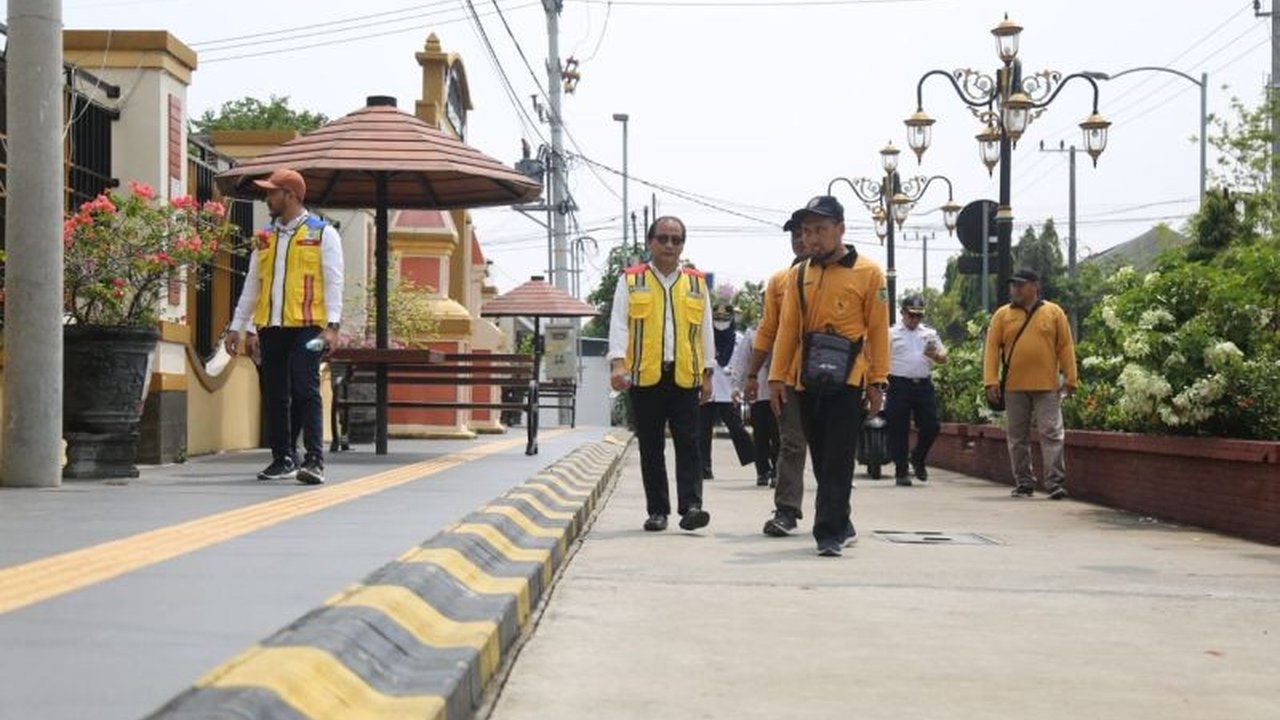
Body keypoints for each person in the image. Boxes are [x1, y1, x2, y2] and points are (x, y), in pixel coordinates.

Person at [768, 196, 889, 557]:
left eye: (820, 230)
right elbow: (788, 329)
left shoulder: (869, 273)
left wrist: (878, 382)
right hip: (806, 380)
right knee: (821, 456)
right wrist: (777, 378)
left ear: (840, 230)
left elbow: (879, 330)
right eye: (807, 231)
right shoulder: (798, 274)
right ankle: (842, 519)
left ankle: (829, 532)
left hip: (849, 380)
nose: (812, 239)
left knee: (838, 457)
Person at [226, 168, 344, 485]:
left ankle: (315, 460)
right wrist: (239, 327)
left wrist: (332, 326)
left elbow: (334, 282)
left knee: (305, 388)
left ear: (290, 195)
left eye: (272, 193)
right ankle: (283, 458)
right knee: (275, 394)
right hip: (271, 327)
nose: (267, 198)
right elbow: (253, 286)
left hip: (309, 326)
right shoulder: (264, 238)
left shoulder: (322, 233)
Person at [608, 216, 715, 532]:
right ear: (650, 242)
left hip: (685, 375)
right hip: (645, 375)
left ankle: (692, 507)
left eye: (676, 239)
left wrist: (708, 373)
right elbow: (619, 323)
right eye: (663, 238)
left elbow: (705, 330)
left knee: (689, 443)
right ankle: (658, 511)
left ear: (683, 245)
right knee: (651, 446)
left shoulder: (696, 283)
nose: (670, 245)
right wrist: (617, 363)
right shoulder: (631, 280)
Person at [982, 268, 1078, 500]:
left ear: (1035, 286)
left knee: (1052, 432)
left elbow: (1065, 346)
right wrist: (990, 381)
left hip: (1047, 386)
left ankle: (1055, 483)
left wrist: (1071, 378)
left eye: (1021, 285)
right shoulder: (1002, 315)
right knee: (1017, 436)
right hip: (1014, 386)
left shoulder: (1053, 312)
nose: (1015, 289)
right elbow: (992, 349)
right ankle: (1024, 482)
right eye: (1013, 285)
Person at [743, 213, 809, 536]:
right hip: (790, 376)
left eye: (808, 232)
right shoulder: (781, 281)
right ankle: (786, 510)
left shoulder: (851, 273)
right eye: (795, 235)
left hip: (838, 377)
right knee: (792, 444)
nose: (801, 239)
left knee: (832, 449)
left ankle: (837, 513)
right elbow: (767, 330)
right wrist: (753, 374)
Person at [887, 293, 947, 487]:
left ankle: (918, 457)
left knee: (932, 425)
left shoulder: (928, 333)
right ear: (902, 312)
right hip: (898, 384)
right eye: (911, 315)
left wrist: (938, 356)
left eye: (918, 315)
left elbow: (943, 355)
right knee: (898, 428)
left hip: (922, 384)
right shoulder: (891, 333)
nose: (914, 319)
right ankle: (901, 470)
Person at [699, 294, 757, 481]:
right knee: (703, 431)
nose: (720, 323)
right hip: (707, 389)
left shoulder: (739, 339)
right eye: (717, 319)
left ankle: (757, 460)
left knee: (737, 428)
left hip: (727, 390)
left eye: (724, 319)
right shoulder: (704, 337)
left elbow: (743, 363)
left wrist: (739, 386)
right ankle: (704, 469)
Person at [732, 322, 778, 488]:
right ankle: (763, 471)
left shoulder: (786, 327)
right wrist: (736, 386)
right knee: (760, 434)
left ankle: (777, 470)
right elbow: (742, 361)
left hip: (779, 392)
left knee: (778, 434)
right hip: (757, 392)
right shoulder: (752, 333)